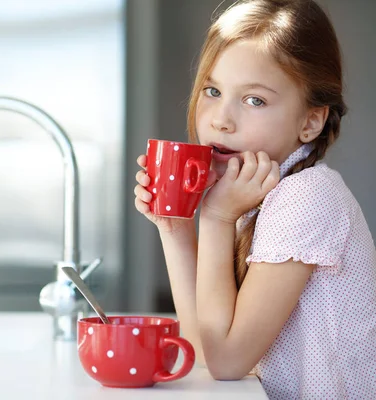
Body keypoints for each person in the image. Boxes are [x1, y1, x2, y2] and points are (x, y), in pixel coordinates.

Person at [133, 0, 376, 398]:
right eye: (212, 90)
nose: (220, 119)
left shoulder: (307, 196)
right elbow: (205, 348)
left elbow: (227, 362)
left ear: (310, 121)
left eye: (255, 100)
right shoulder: (256, 192)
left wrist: (215, 217)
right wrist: (174, 228)